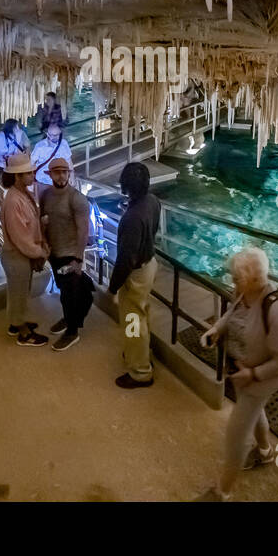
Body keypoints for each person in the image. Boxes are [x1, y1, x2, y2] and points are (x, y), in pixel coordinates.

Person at [196, 247, 278, 501]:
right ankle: (265, 452)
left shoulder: (276, 309)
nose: (232, 282)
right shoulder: (245, 293)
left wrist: (253, 374)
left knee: (235, 436)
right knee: (255, 411)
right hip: (243, 372)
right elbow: (233, 314)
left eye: (236, 278)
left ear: (254, 278)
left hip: (260, 380)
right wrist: (217, 330)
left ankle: (222, 492)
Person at [107, 160, 161, 388]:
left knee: (132, 320)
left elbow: (125, 259)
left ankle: (140, 371)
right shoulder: (152, 201)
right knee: (142, 313)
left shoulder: (132, 218)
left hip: (136, 273)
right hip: (150, 264)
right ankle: (142, 354)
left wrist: (113, 286)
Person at [38, 158, 93, 351]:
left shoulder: (76, 198)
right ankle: (71, 317)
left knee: (70, 293)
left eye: (64, 172)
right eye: (57, 172)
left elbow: (83, 231)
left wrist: (78, 258)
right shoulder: (45, 195)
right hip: (55, 253)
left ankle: (72, 330)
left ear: (69, 174)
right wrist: (44, 244)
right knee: (65, 290)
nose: (61, 175)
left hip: (70, 254)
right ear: (50, 174)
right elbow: (42, 221)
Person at [0, 152, 50, 347]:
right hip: (16, 255)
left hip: (20, 255)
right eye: (28, 173)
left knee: (19, 291)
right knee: (19, 294)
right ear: (17, 176)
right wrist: (40, 253)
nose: (32, 175)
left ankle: (15, 324)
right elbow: (21, 237)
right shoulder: (14, 201)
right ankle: (23, 333)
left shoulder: (21, 194)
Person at [30, 121, 73, 187]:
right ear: (47, 134)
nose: (54, 137)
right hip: (43, 182)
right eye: (52, 135)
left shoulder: (64, 144)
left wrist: (72, 176)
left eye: (57, 135)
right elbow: (31, 163)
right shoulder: (40, 147)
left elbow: (69, 161)